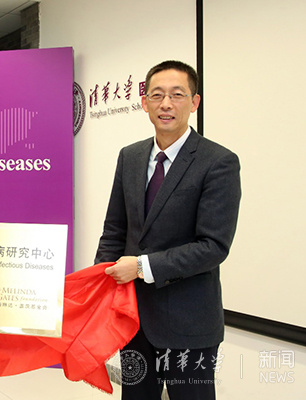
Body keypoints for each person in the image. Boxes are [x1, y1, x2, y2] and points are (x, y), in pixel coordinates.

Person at [95, 60, 241, 400]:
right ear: (144, 102)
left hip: (189, 322)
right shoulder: (130, 156)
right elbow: (115, 228)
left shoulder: (218, 162)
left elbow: (213, 246)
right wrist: (101, 283)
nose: (166, 104)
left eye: (177, 95)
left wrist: (141, 267)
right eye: (157, 95)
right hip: (132, 319)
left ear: (194, 102)